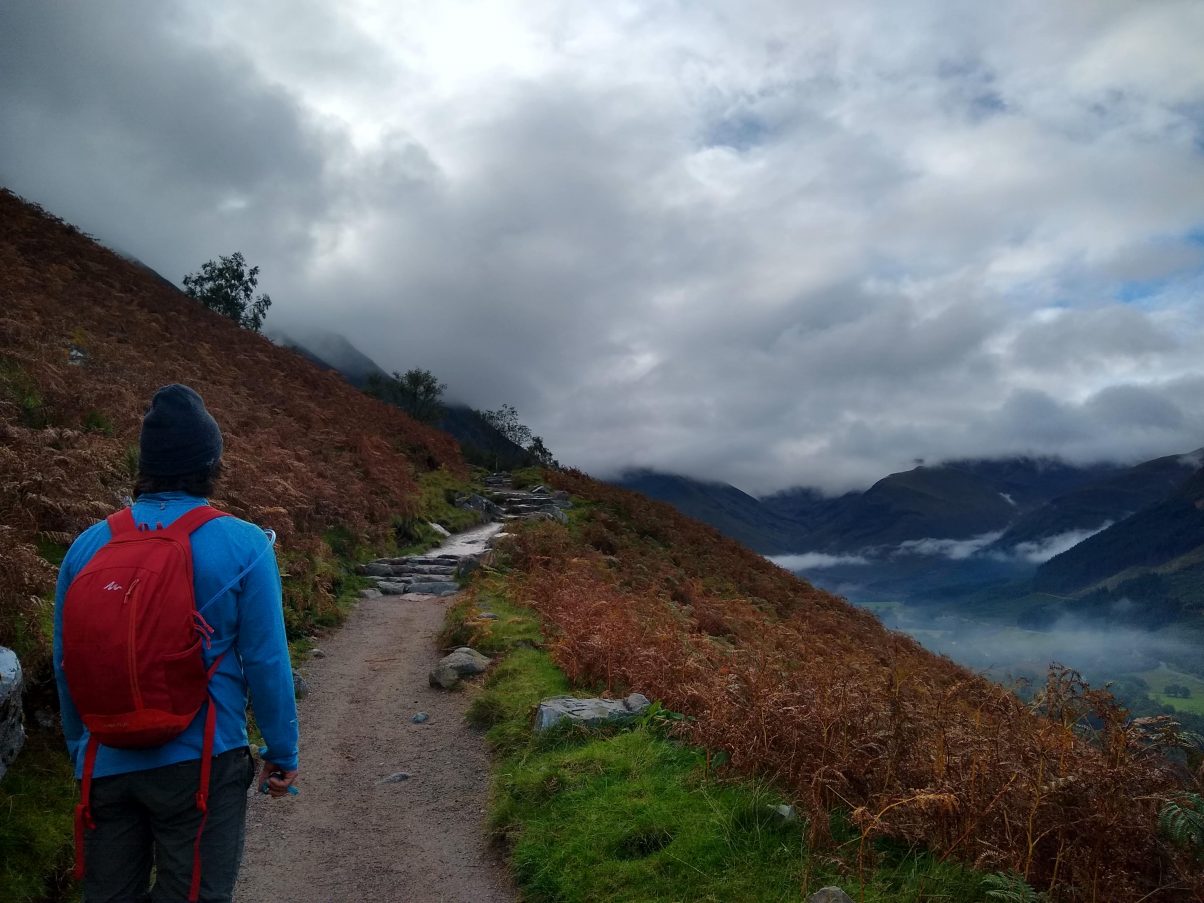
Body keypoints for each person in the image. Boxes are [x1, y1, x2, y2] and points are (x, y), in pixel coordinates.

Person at [53, 384, 299, 903]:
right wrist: (281, 750)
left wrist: (82, 748)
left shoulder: (87, 547)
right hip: (201, 765)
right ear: (211, 462)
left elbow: (66, 663)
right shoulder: (244, 544)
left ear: (144, 464)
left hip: (105, 761)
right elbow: (266, 660)